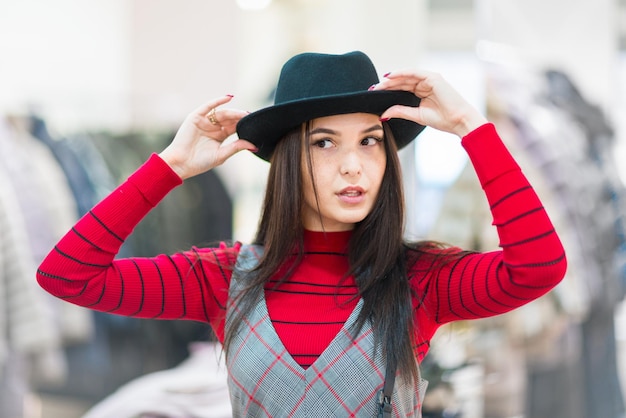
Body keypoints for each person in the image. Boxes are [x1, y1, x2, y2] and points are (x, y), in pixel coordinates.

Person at [36, 51, 567, 417]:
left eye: (370, 142)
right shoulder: (223, 277)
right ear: (289, 158)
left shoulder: (419, 278)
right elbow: (68, 276)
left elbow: (538, 267)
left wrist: (473, 130)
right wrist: (171, 166)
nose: (354, 166)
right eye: (325, 144)